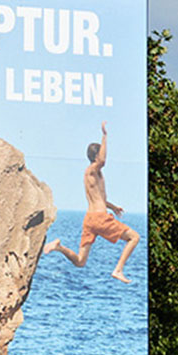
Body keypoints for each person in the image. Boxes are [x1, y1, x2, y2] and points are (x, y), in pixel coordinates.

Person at [43, 121, 140, 284]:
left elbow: (99, 198)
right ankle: (118, 270)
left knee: (80, 261)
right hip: (100, 219)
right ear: (96, 157)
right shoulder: (92, 170)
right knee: (134, 237)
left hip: (90, 220)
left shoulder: (95, 175)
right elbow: (102, 160)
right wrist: (104, 136)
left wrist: (113, 207)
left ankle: (59, 247)